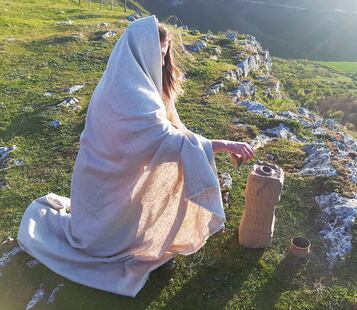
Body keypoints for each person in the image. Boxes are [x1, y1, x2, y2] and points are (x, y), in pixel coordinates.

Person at [17, 15, 254, 298]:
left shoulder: (129, 78)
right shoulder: (129, 92)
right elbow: (164, 141)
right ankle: (106, 237)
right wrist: (223, 144)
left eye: (165, 55)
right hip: (103, 187)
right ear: (141, 53)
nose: (163, 62)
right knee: (99, 248)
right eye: (159, 55)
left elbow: (164, 133)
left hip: (109, 181)